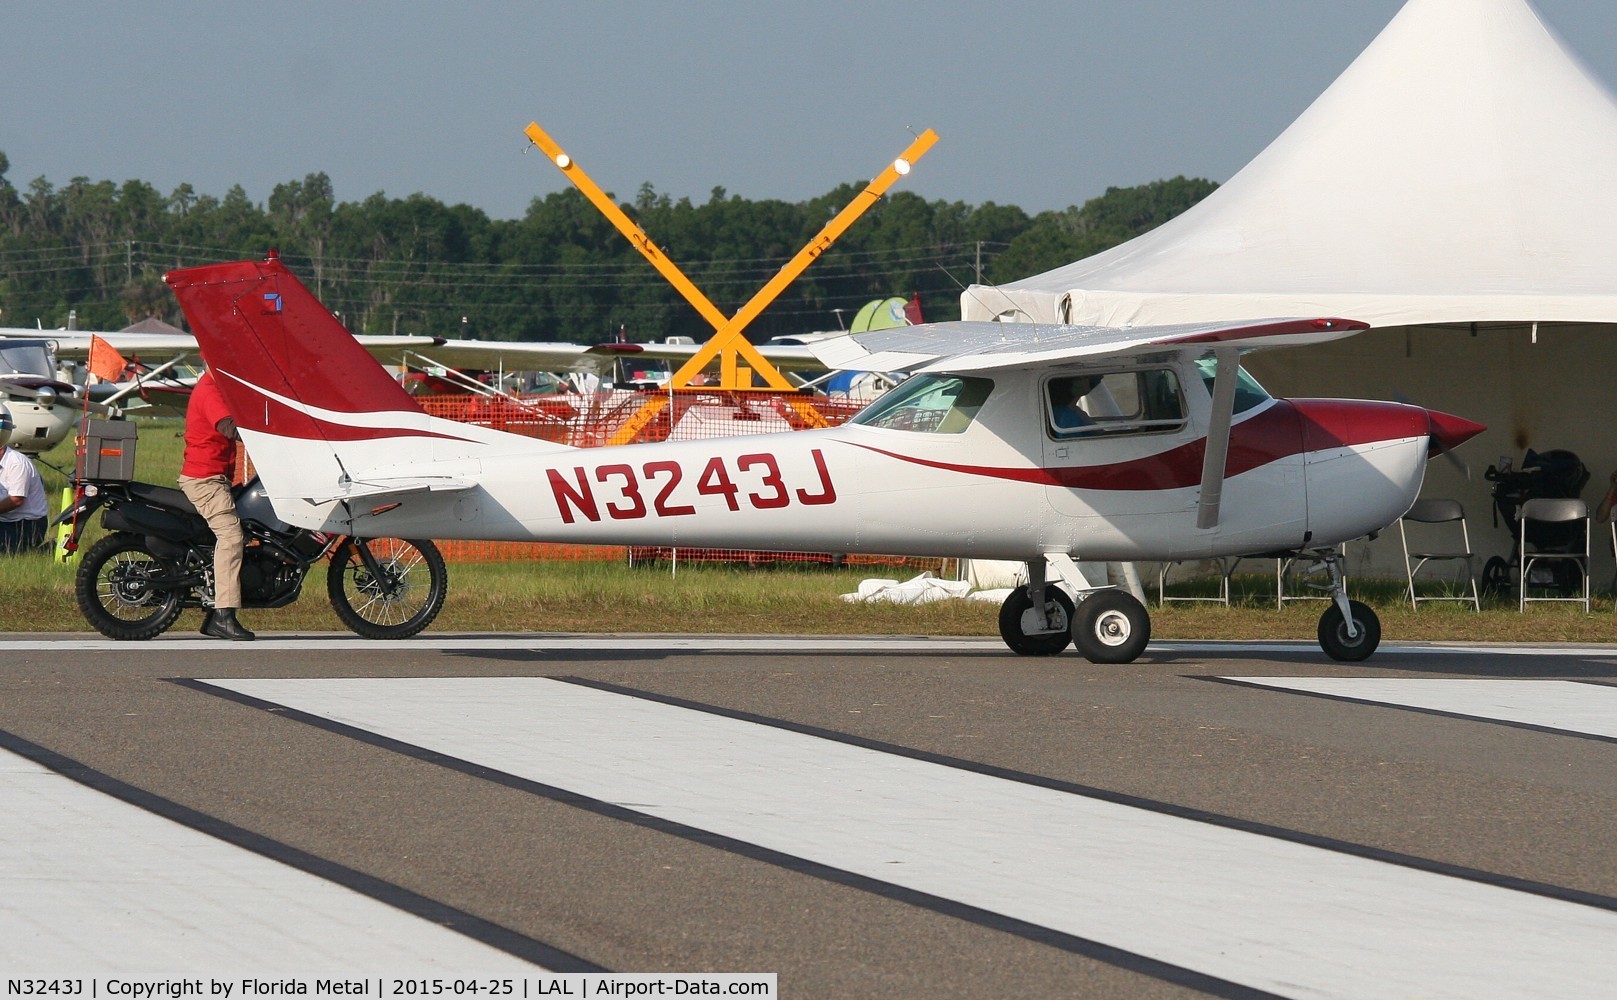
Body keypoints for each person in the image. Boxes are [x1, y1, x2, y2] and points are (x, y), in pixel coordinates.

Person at [179, 370, 254, 640]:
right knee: (232, 537)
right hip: (206, 480)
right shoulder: (210, 390)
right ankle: (223, 615)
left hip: (215, 476)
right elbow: (228, 427)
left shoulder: (217, 388)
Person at [0, 405, 48, 554]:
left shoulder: (16, 463)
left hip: (27, 524)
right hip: (5, 520)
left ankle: (46, 550)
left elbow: (16, 499)